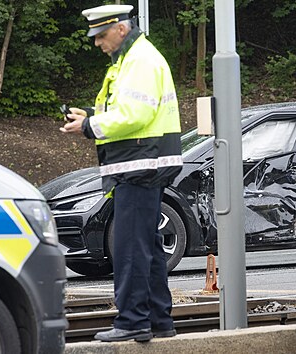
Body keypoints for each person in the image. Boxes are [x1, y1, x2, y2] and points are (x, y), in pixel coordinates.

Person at [60, 4, 182, 342]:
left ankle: (132, 322)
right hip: (145, 163)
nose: (97, 43)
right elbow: (129, 110)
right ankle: (159, 320)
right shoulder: (134, 59)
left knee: (129, 247)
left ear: (121, 29)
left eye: (101, 35)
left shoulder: (139, 61)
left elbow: (134, 115)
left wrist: (89, 126)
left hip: (140, 165)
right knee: (148, 246)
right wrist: (89, 115)